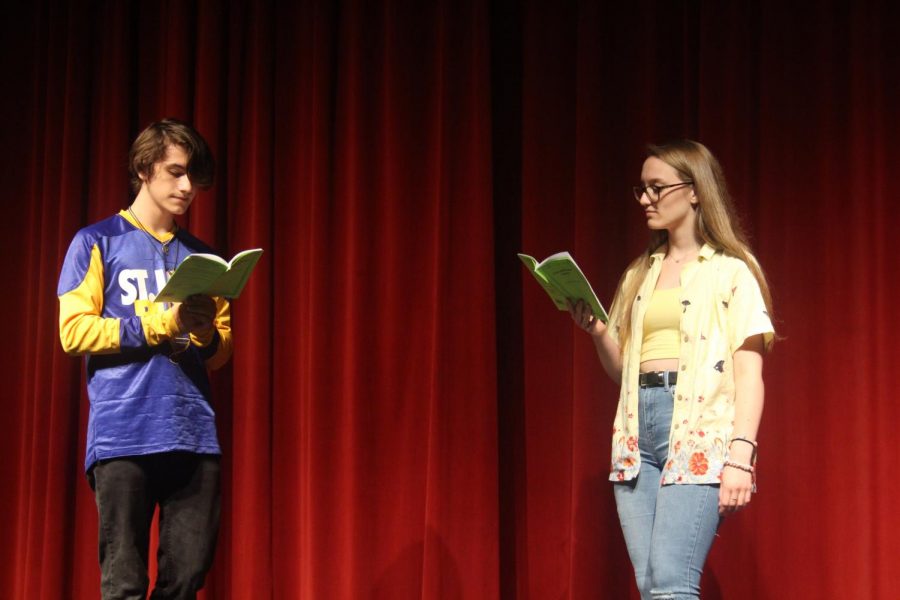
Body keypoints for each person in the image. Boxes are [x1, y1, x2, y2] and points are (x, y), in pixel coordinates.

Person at [568, 140, 775, 599]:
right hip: (636, 431)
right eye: (641, 189)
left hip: (698, 431)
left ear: (695, 190)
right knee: (651, 586)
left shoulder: (731, 273)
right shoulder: (639, 273)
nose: (645, 200)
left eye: (657, 188)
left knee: (670, 584)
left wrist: (741, 458)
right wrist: (600, 333)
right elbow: (623, 370)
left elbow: (748, 373)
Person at [57, 119, 232, 599]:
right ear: (142, 168)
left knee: (186, 580)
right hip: (124, 435)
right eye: (175, 172)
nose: (187, 187)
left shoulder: (202, 257)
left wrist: (202, 335)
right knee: (125, 583)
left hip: (193, 433)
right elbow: (73, 332)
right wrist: (159, 323)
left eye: (193, 176)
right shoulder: (96, 242)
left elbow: (219, 352)